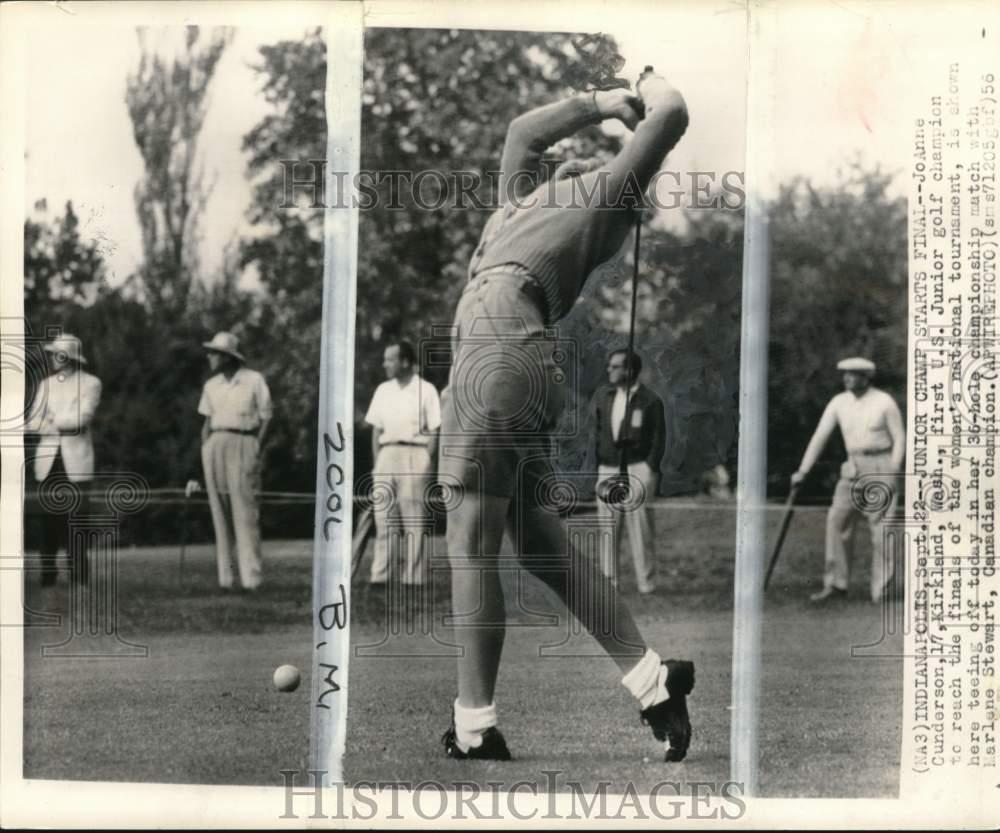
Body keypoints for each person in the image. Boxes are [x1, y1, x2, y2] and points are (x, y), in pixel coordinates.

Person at [439, 69, 694, 762]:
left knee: (470, 542)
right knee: (538, 541)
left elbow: (671, 112)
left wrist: (649, 87)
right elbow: (524, 133)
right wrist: (602, 102)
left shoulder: (598, 198)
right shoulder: (522, 205)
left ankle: (474, 726)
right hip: (510, 354)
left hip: (500, 343)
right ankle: (652, 681)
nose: (573, 161)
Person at [791, 357, 905, 603]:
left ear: (866, 377)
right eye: (845, 374)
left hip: (880, 463)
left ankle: (883, 589)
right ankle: (836, 585)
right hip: (852, 466)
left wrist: (893, 470)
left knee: (882, 528)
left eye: (853, 374)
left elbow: (899, 438)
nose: (847, 378)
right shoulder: (839, 402)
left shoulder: (884, 402)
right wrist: (803, 470)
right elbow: (820, 435)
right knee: (837, 520)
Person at [187, 332, 272, 591]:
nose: (210, 357)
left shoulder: (254, 380)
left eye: (214, 353)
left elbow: (267, 417)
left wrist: (256, 447)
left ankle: (252, 579)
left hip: (244, 441)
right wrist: (206, 448)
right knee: (219, 512)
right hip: (215, 443)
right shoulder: (211, 385)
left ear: (227, 357)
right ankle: (227, 579)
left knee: (245, 512)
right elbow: (206, 422)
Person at [364, 340, 441, 588]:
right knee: (383, 517)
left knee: (414, 518)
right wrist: (378, 463)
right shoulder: (383, 390)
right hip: (387, 454)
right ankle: (381, 575)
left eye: (390, 359)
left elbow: (435, 430)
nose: (385, 364)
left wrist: (428, 463)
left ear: (405, 362)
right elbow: (376, 430)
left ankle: (414, 577)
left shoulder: (426, 390)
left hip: (415, 454)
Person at [26, 334, 102, 587]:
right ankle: (48, 576)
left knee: (77, 520)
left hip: (76, 460)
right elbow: (32, 422)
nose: (52, 358)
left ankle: (79, 576)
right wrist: (56, 423)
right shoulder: (46, 385)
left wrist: (51, 421)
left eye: (57, 354)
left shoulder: (90, 383)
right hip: (48, 460)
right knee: (47, 520)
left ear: (69, 357)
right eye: (51, 354)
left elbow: (82, 419)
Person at [593, 349, 666, 594]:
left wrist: (649, 467)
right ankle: (609, 582)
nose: (609, 370)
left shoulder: (650, 401)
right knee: (608, 527)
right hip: (608, 468)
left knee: (641, 528)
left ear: (630, 370)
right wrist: (599, 464)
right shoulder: (605, 398)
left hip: (638, 469)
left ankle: (647, 584)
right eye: (610, 366)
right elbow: (597, 433)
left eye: (615, 366)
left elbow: (659, 437)